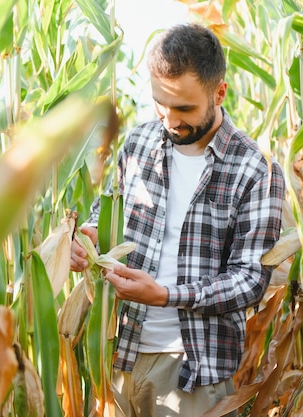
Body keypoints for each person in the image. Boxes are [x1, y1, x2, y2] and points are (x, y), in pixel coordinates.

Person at [70, 23, 285, 417]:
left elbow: (252, 279)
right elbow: (108, 216)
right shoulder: (137, 144)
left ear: (219, 92)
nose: (170, 120)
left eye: (184, 108)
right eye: (160, 105)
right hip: (121, 355)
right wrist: (86, 239)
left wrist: (167, 296)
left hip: (194, 370)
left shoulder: (256, 168)